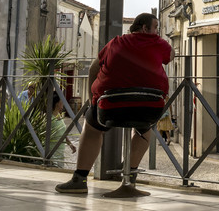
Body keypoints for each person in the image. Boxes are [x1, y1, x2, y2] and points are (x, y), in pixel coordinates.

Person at [55, 12, 171, 197]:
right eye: (156, 28)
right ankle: (129, 180)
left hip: (112, 108)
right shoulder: (159, 44)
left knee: (93, 128)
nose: (158, 32)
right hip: (150, 108)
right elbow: (170, 56)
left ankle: (79, 179)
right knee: (143, 131)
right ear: (145, 28)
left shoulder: (116, 42)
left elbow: (95, 67)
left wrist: (92, 98)